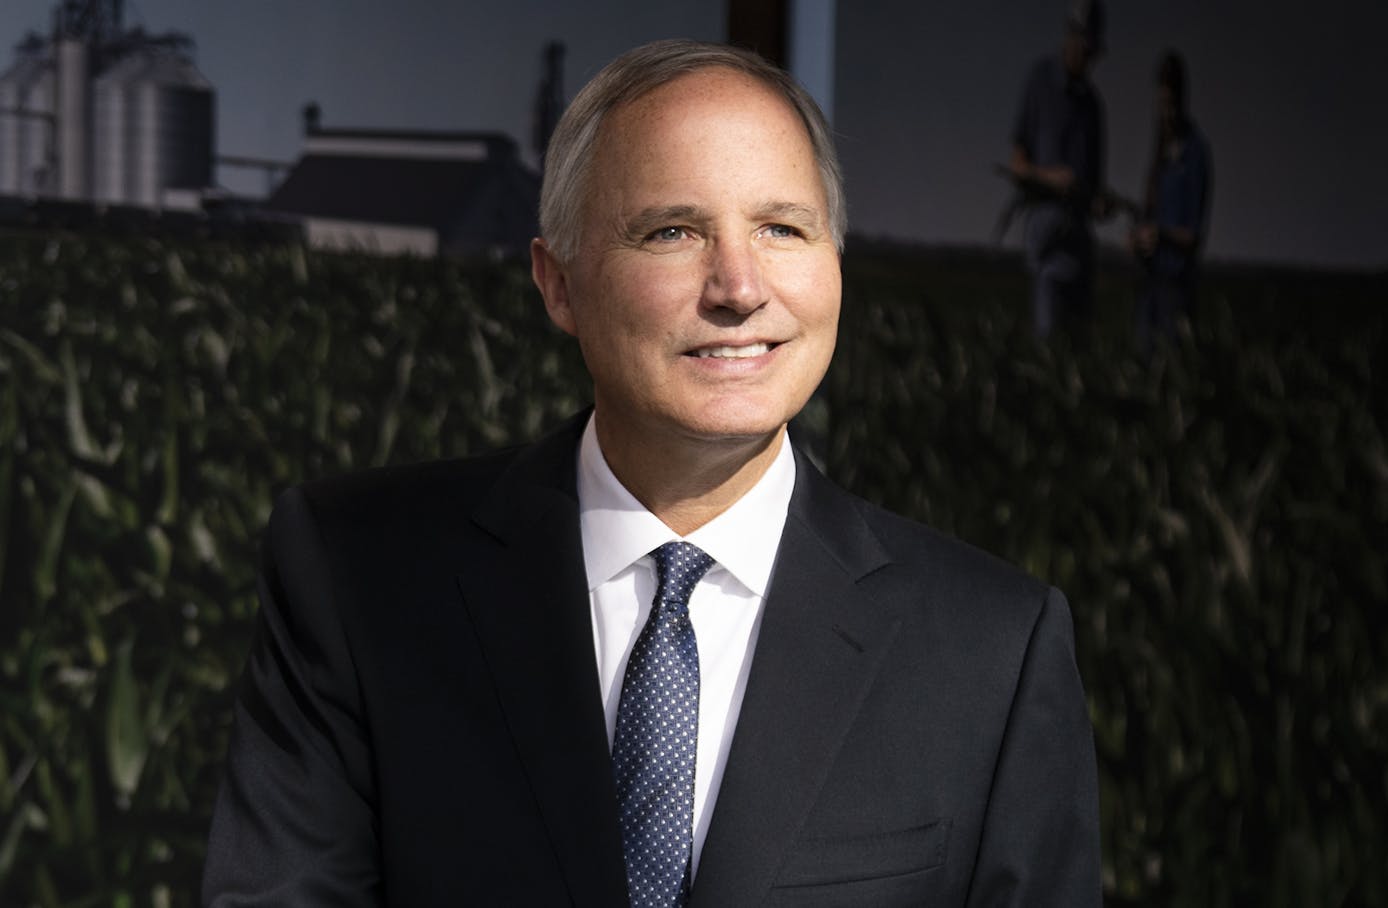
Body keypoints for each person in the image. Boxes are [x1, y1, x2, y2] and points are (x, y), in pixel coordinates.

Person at [201, 39, 1102, 907]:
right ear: (559, 284)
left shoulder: (991, 651)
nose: (739, 286)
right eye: (673, 231)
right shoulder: (361, 578)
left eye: (783, 227)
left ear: (835, 264)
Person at [1008, 0, 1107, 338]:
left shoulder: (1092, 105)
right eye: (1084, 47)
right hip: (1046, 244)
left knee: (1079, 340)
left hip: (1079, 246)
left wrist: (1098, 202)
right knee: (1048, 338)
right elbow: (1018, 165)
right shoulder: (1041, 81)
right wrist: (1052, 178)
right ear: (1071, 37)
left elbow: (1094, 186)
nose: (1088, 59)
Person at [1131, 50, 1212, 351]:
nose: (1166, 113)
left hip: (1176, 287)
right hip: (1149, 285)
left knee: (1173, 363)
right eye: (1161, 104)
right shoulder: (1159, 153)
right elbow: (1148, 212)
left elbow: (1193, 235)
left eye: (1171, 104)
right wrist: (1138, 238)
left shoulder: (1196, 153)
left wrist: (1162, 235)